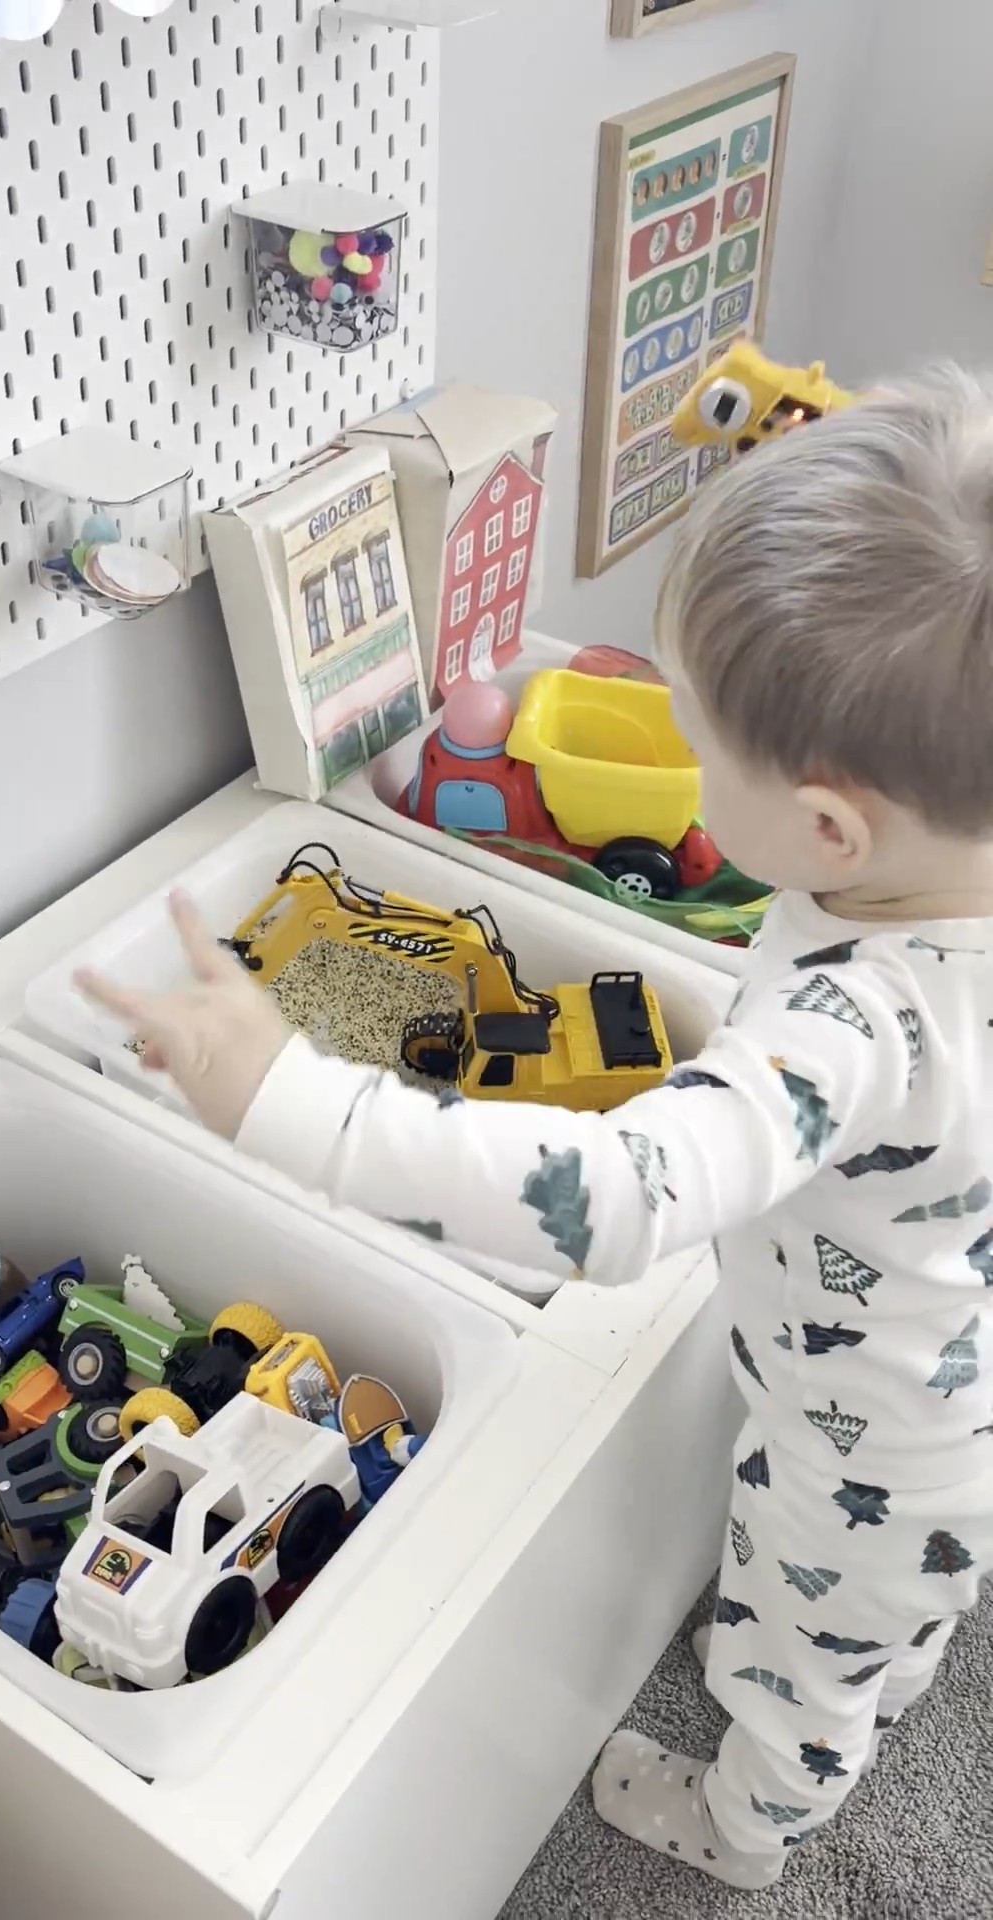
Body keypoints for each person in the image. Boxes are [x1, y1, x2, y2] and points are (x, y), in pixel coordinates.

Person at [77, 366, 993, 1892]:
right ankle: (886, 1648)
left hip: (870, 1446)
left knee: (793, 1654)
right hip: (945, 1382)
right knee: (885, 1606)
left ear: (831, 832)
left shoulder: (869, 1024)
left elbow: (624, 1193)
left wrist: (284, 1096)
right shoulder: (940, 868)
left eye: (705, 758)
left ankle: (752, 1824)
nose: (691, 782)